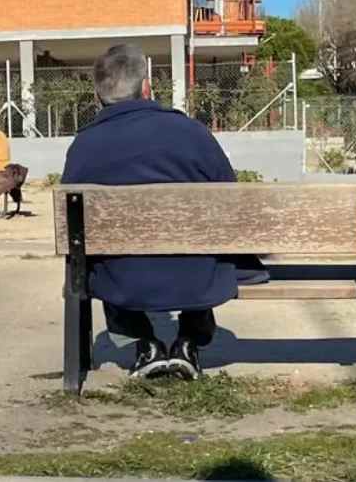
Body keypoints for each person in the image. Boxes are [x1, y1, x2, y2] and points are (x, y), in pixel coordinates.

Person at [62, 44, 237, 381]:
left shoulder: (84, 145)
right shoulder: (192, 132)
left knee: (96, 256)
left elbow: (75, 224)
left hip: (123, 279)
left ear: (98, 96)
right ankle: (188, 341)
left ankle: (146, 345)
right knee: (203, 243)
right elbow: (229, 195)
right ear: (146, 88)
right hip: (198, 275)